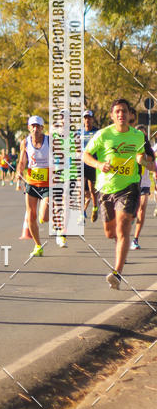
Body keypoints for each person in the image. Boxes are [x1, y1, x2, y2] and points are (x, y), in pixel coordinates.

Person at [84, 98, 152, 289]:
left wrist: (144, 161)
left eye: (124, 111)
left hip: (129, 188)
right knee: (110, 233)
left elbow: (144, 157)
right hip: (105, 189)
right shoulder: (102, 135)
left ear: (130, 115)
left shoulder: (138, 136)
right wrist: (99, 164)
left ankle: (117, 273)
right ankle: (121, 243)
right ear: (112, 116)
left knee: (123, 229)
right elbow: (85, 155)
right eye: (117, 112)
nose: (121, 114)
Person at [17, 115, 66, 255]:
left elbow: (60, 158)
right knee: (31, 216)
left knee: (44, 217)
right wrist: (19, 173)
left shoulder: (50, 141)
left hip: (48, 184)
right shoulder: (25, 143)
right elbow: (22, 161)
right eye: (33, 126)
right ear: (29, 127)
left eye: (38, 126)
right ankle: (38, 246)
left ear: (42, 128)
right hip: (32, 183)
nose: (35, 129)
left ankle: (54, 224)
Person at [81, 110, 98, 221]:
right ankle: (81, 212)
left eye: (89, 118)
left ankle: (95, 208)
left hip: (92, 164)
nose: (87, 120)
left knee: (92, 190)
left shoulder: (97, 132)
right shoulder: (79, 132)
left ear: (92, 119)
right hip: (82, 164)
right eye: (85, 118)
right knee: (80, 188)